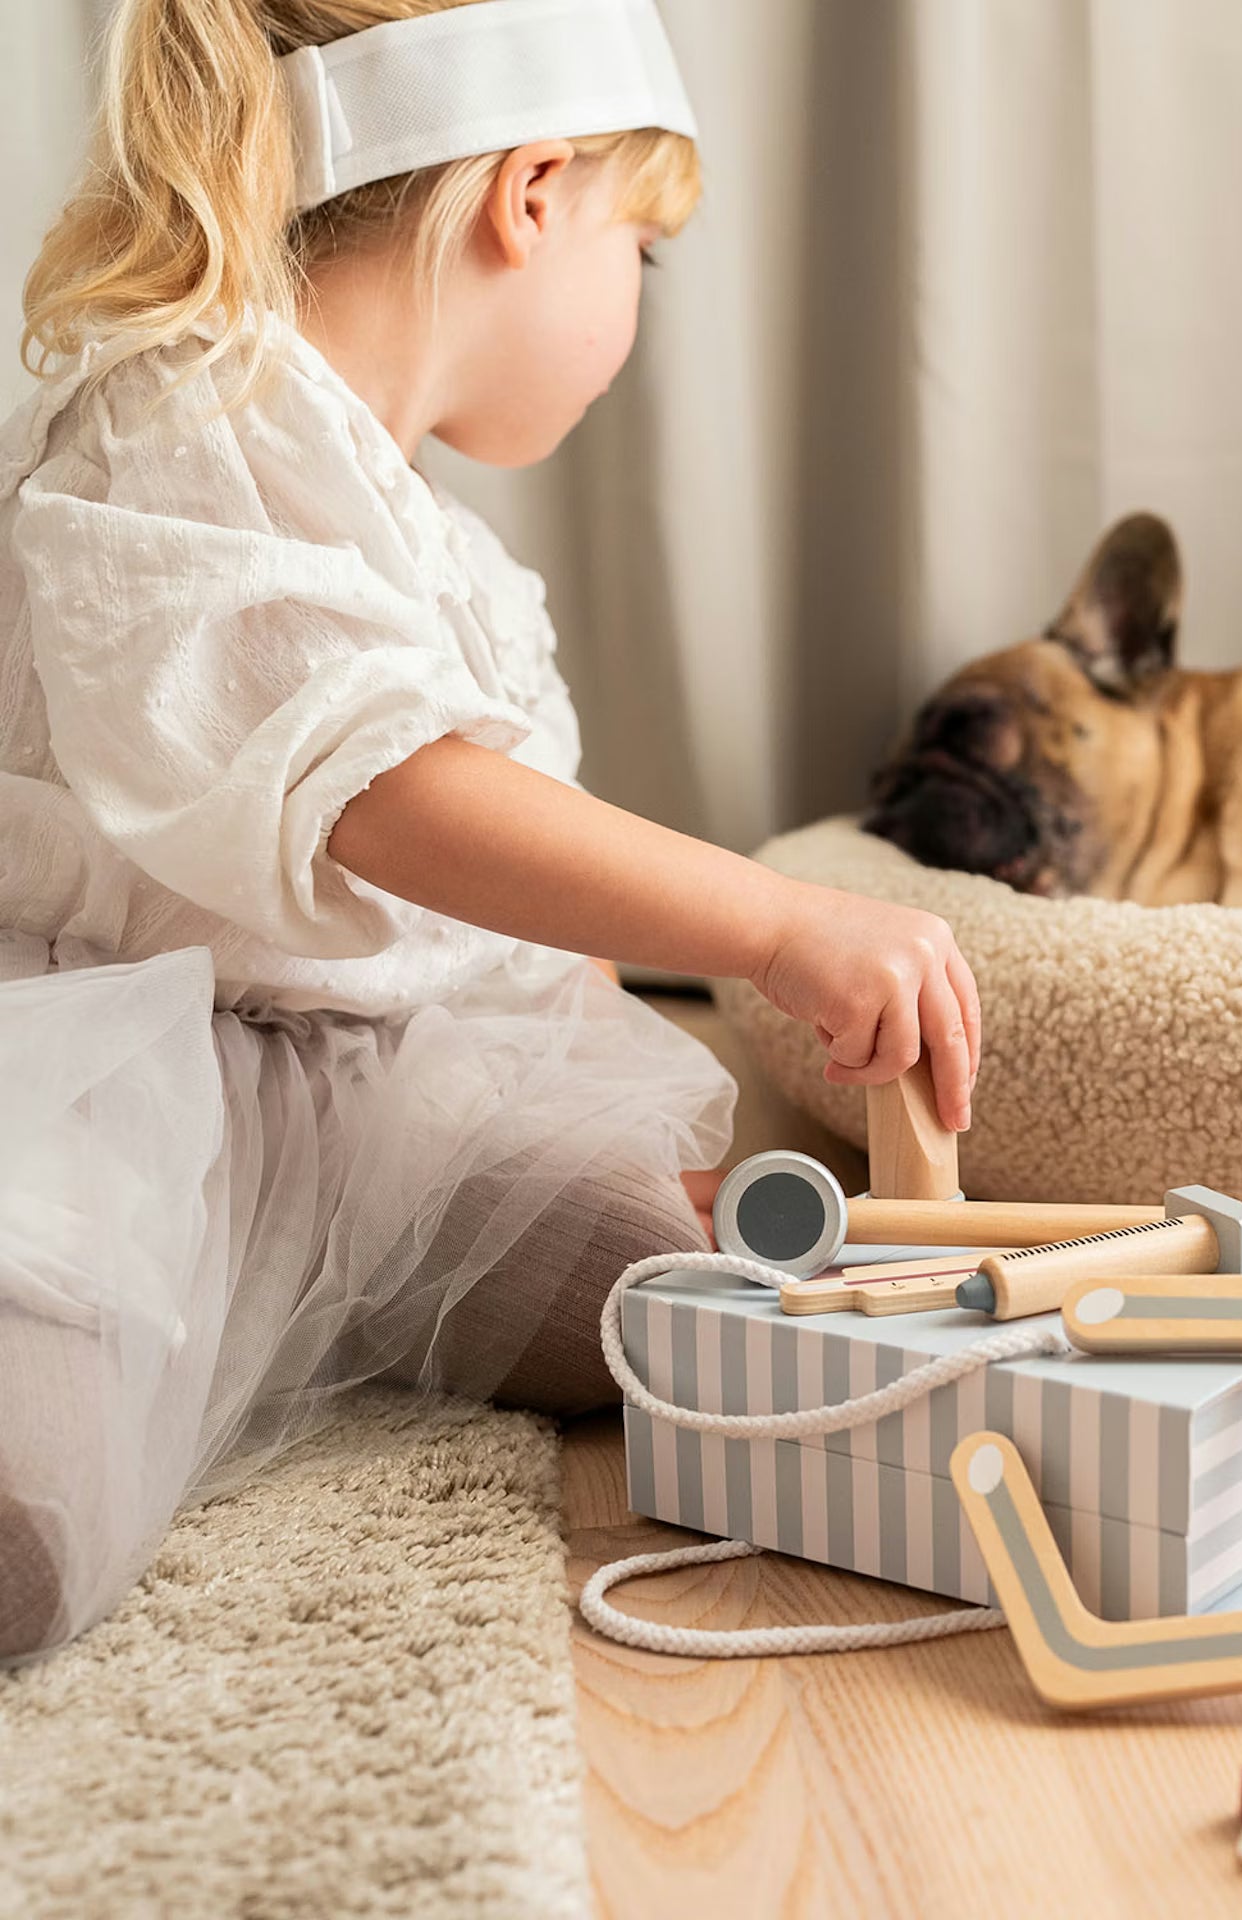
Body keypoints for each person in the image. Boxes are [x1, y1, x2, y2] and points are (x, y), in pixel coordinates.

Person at [0, 0, 980, 1664]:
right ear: (531, 196)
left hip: (364, 1083)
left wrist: (608, 1084)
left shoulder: (445, 555)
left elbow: (510, 903)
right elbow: (385, 794)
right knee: (31, 1524)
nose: (637, 308)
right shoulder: (181, 416)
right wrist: (772, 922)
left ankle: (340, 1299)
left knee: (676, 1303)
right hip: (103, 1070)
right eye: (639, 254)